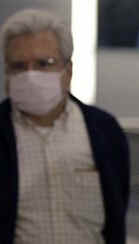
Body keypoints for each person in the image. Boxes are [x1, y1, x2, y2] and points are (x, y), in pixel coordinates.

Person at [0, 9, 129, 244]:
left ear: (67, 71)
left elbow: (116, 214)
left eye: (43, 63)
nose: (30, 75)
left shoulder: (104, 131)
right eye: (19, 66)